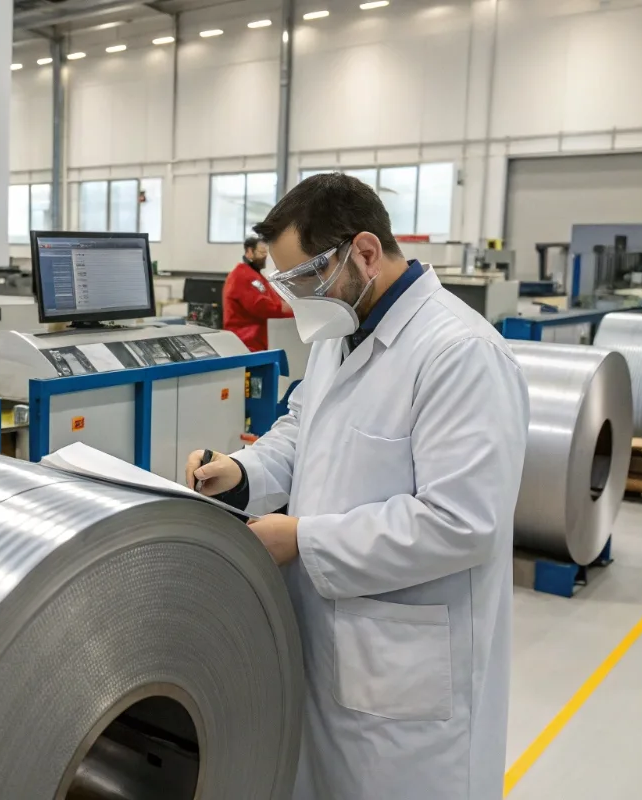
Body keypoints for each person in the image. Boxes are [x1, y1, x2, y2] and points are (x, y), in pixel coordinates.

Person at [185, 174, 529, 800]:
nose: (294, 300)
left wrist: (302, 539)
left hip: (408, 681)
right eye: (283, 284)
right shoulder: (342, 332)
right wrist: (242, 473)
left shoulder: (461, 354)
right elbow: (302, 430)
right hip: (331, 650)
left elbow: (461, 522)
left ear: (364, 252)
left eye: (303, 279)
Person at [223, 235, 293, 351]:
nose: (264, 257)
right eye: (261, 252)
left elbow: (274, 298)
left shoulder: (256, 276)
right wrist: (292, 309)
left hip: (258, 341)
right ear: (249, 252)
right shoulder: (242, 276)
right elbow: (261, 306)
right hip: (245, 343)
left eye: (266, 253)